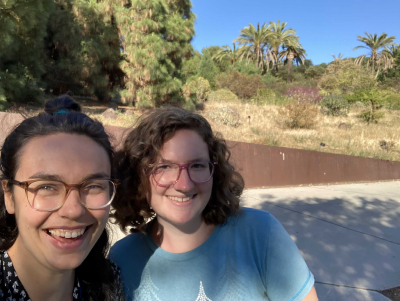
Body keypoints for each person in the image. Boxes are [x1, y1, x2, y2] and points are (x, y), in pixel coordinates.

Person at [110, 107, 318, 301]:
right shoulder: (121, 259)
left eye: (198, 165)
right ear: (137, 176)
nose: (184, 184)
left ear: (214, 172)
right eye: (164, 167)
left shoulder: (261, 234)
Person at [0, 96, 123, 300]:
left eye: (93, 186)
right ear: (9, 196)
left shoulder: (109, 282)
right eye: (47, 187)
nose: (73, 210)